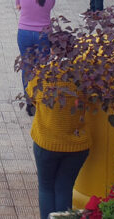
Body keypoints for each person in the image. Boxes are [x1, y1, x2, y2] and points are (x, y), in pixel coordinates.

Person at [31, 80, 89, 219]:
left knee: (46, 187)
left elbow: (32, 97)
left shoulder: (43, 74)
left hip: (47, 143)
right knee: (64, 188)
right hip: (77, 145)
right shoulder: (86, 72)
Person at [16, 0, 55, 89]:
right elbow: (51, 6)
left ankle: (29, 98)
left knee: (27, 66)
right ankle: (40, 97)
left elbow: (18, 4)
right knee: (42, 67)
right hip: (44, 34)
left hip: (24, 33)